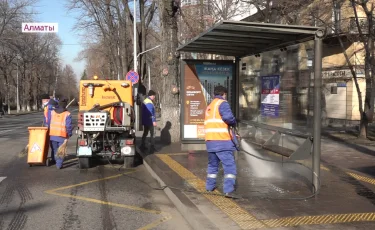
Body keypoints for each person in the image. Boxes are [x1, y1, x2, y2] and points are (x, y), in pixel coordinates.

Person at [204, 86, 239, 198]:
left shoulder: (210, 106)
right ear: (224, 93)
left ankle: (209, 187)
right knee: (229, 167)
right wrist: (234, 122)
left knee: (213, 167)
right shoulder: (222, 103)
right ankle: (228, 190)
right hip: (222, 142)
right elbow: (228, 118)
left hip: (210, 142)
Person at [47, 98, 73, 169]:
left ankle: (57, 162)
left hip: (52, 135)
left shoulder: (52, 112)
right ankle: (59, 164)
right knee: (61, 151)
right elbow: (68, 126)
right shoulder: (67, 114)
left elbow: (48, 123)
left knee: (55, 150)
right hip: (62, 136)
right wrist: (69, 134)